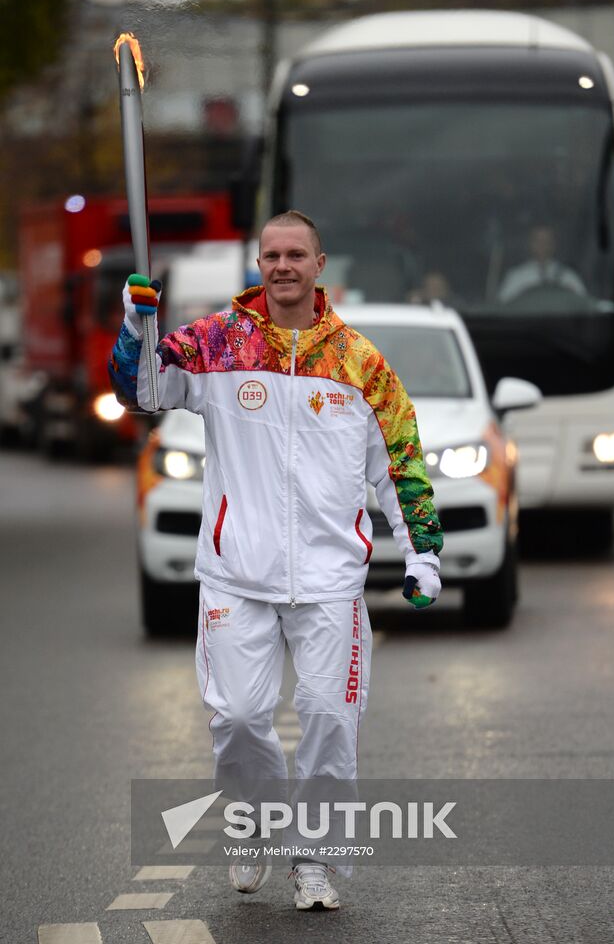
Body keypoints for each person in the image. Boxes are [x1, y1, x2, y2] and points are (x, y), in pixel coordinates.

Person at [108, 209, 443, 911]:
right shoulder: (215, 343)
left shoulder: (359, 363)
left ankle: (313, 860)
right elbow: (141, 394)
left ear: (320, 265)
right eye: (271, 255)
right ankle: (254, 826)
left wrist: (422, 554)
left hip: (329, 581)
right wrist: (134, 327)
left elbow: (400, 466)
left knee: (326, 719)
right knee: (236, 717)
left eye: (296, 254)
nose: (283, 265)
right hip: (237, 573)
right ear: (258, 264)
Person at [498, 224, 587, 303]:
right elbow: (502, 310)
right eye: (538, 241)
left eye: (547, 241)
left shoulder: (568, 278)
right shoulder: (515, 277)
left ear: (553, 244)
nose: (542, 245)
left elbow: (585, 306)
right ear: (530, 244)